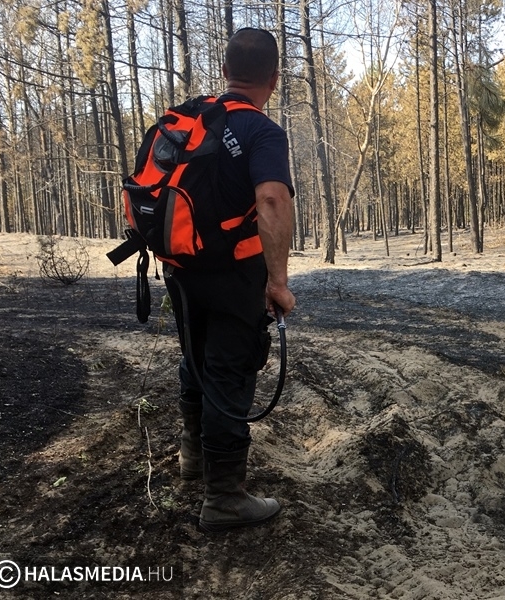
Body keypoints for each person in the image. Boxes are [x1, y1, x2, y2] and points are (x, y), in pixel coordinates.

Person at [164, 27, 296, 533]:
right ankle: (223, 498)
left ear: (224, 72)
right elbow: (271, 200)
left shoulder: (190, 115)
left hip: (179, 270)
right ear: (274, 79)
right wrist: (278, 281)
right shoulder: (262, 131)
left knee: (194, 358)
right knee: (229, 372)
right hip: (233, 276)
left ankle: (193, 459)